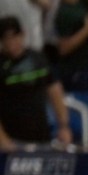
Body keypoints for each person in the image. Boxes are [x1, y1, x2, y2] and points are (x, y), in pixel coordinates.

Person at [0, 15, 74, 151]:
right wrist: (3, 140)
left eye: (14, 37)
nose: (11, 43)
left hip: (41, 137)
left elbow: (55, 91)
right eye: (6, 39)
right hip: (12, 140)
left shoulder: (38, 59)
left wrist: (63, 126)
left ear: (22, 35)